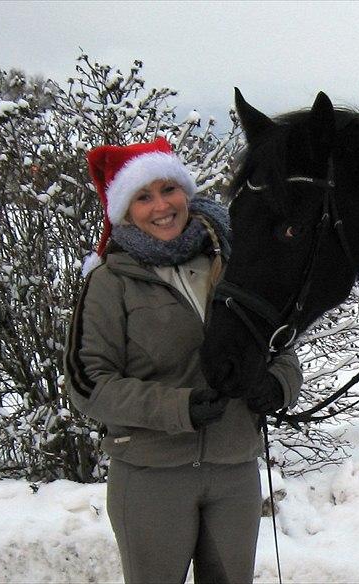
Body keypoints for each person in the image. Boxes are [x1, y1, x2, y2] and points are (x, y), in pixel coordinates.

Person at [64, 137, 302, 583]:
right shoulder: (109, 280)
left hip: (234, 470)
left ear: (185, 191)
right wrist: (179, 408)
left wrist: (280, 385)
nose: (161, 206)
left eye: (168, 189)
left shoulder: (232, 261)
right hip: (152, 475)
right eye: (143, 196)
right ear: (124, 209)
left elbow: (280, 346)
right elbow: (87, 384)